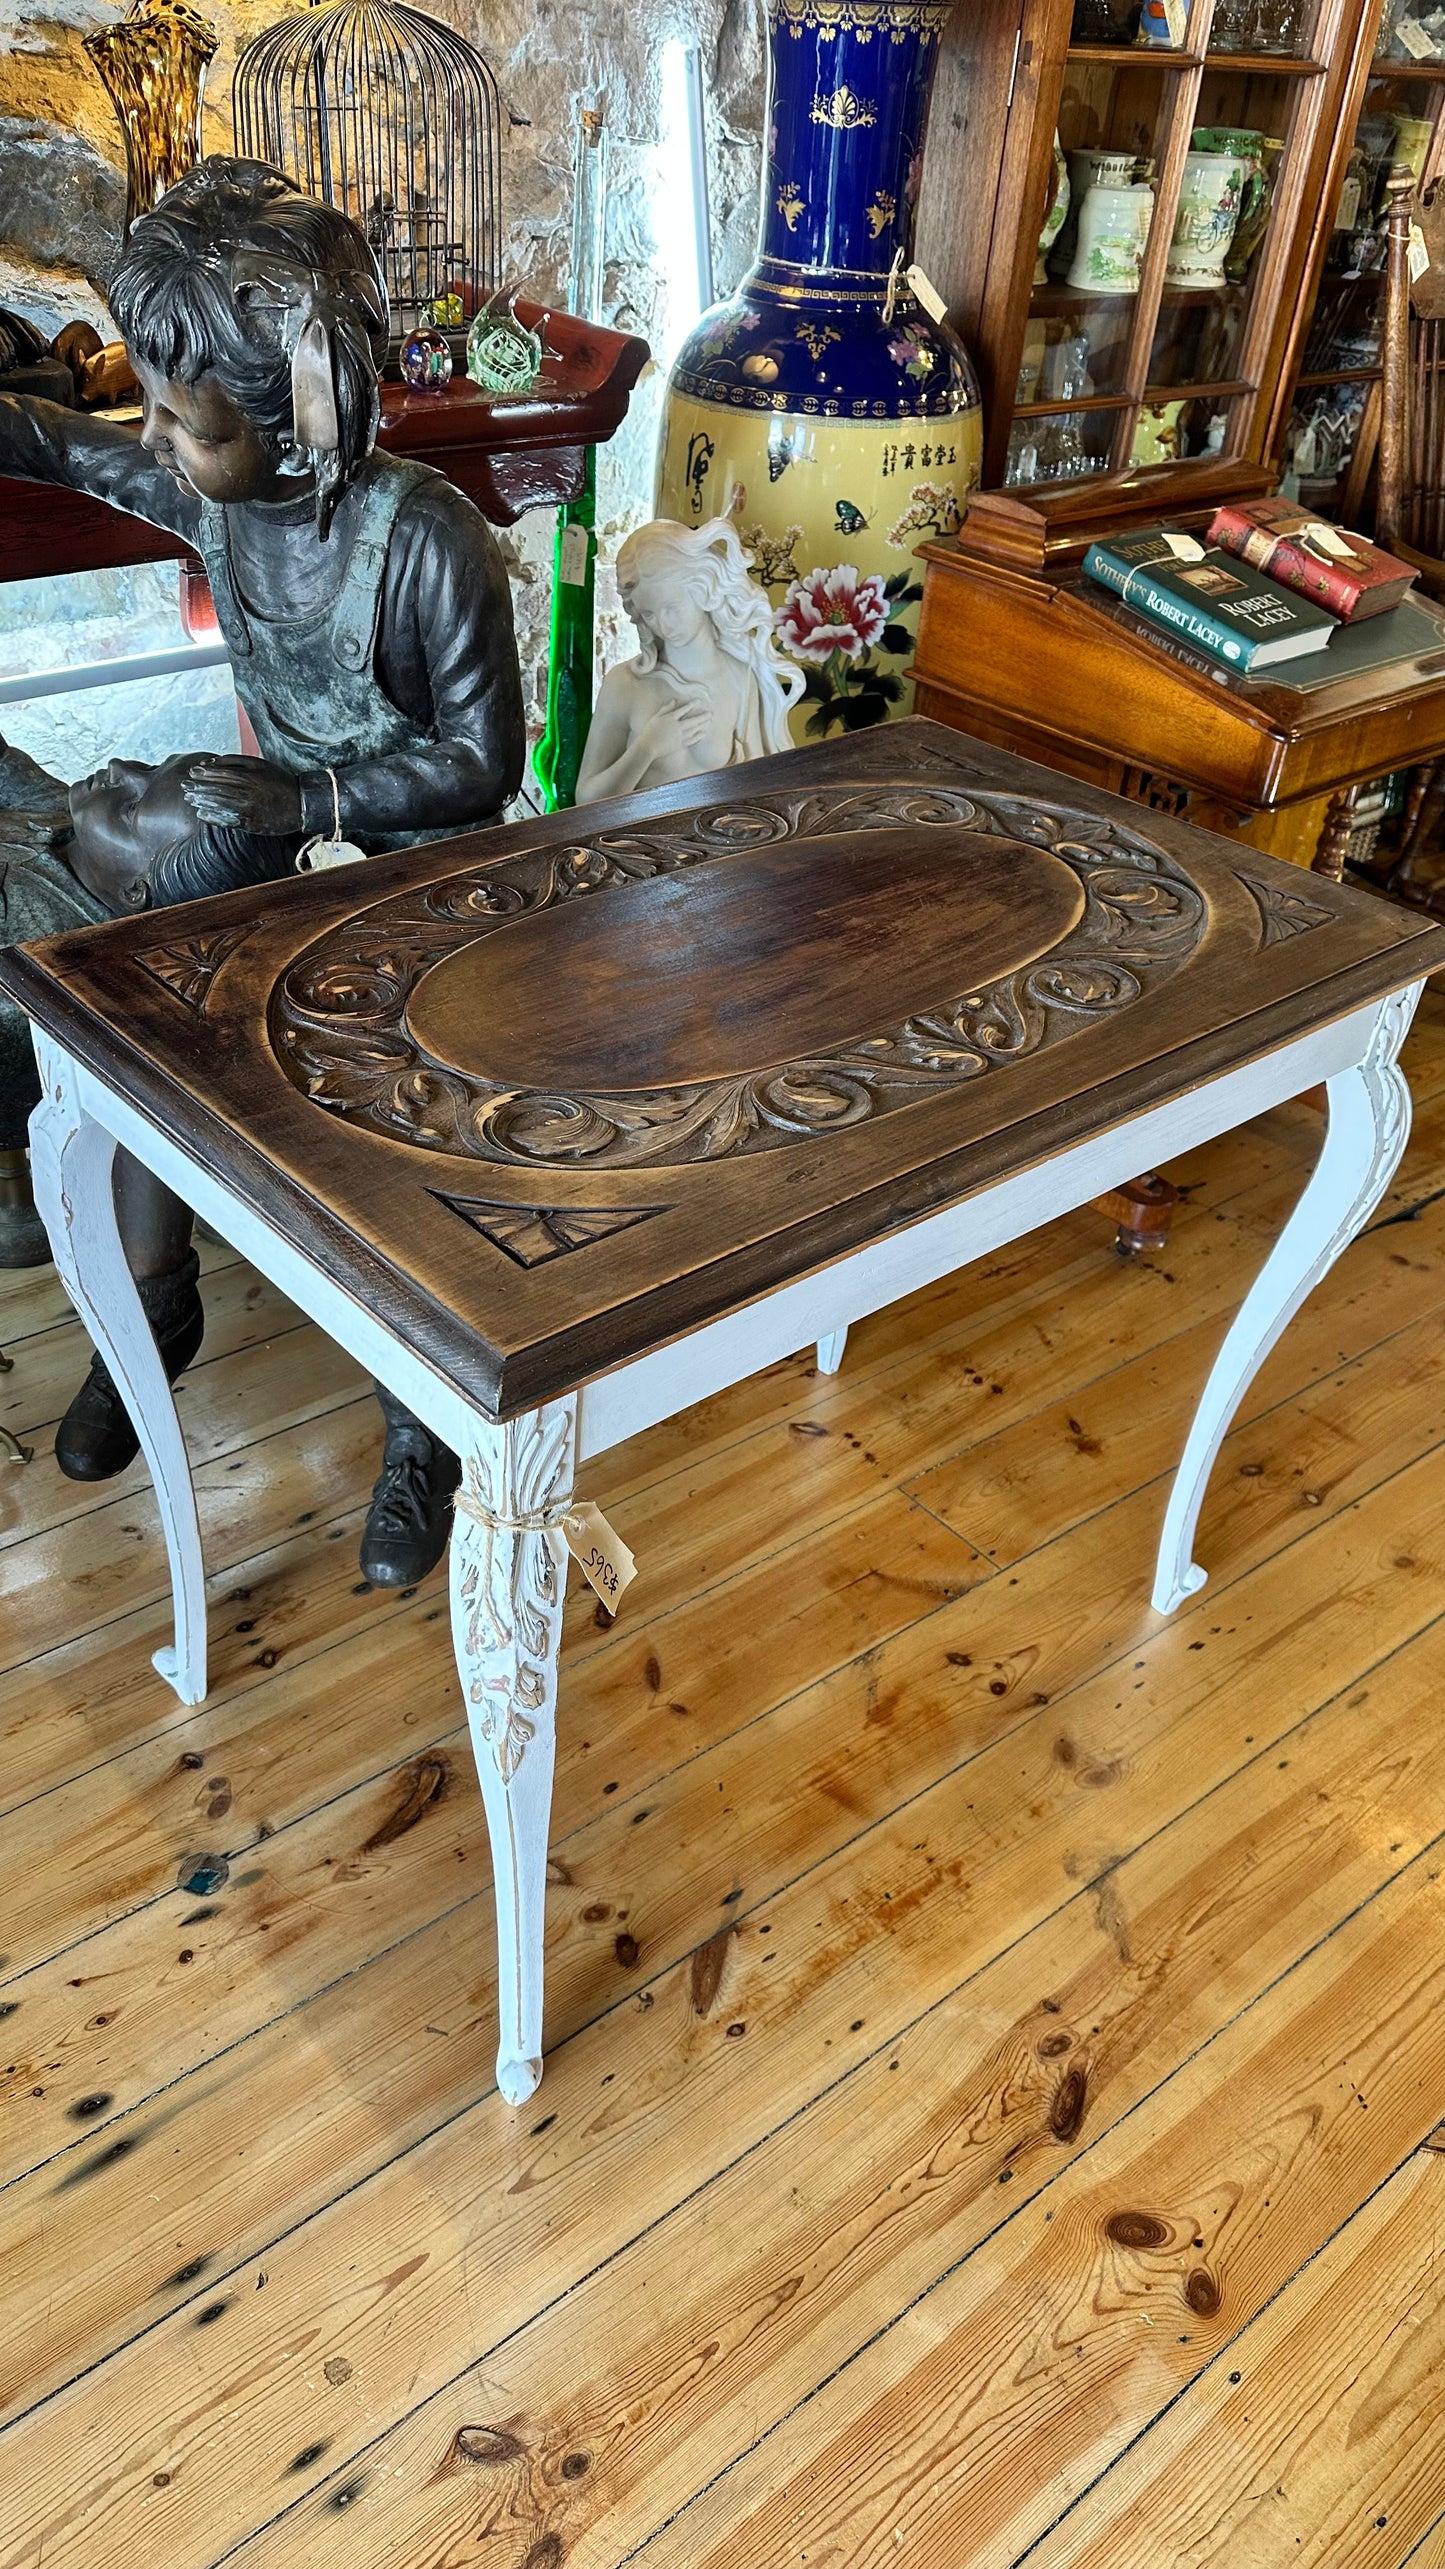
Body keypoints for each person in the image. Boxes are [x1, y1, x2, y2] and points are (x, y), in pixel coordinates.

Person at [0, 156, 526, 1586]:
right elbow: (75, 453)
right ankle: (155, 1301)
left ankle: (422, 1427)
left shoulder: (425, 542)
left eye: (188, 415)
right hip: (291, 844)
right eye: (156, 410)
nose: (158, 440)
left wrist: (320, 788)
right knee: (130, 1015)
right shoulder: (227, 499)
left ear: (294, 423)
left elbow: (485, 762)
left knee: (383, 1140)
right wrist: (15, 421)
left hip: (433, 883)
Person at [575, 516, 804, 803]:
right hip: (637, 842)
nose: (664, 624)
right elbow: (585, 801)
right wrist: (647, 747)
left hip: (720, 841)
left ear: (702, 590)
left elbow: (759, 789)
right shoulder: (625, 684)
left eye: (672, 607)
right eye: (649, 614)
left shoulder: (740, 677)